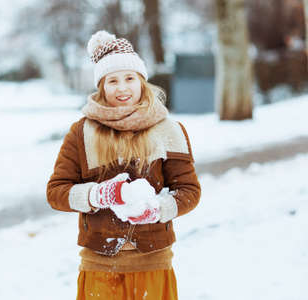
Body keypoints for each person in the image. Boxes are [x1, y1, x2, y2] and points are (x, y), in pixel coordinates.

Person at [47, 30, 201, 300]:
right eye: (112, 81)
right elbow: (56, 192)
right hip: (100, 266)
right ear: (101, 87)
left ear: (141, 81)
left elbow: (189, 190)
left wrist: (157, 209)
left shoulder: (169, 129)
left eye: (129, 78)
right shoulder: (82, 133)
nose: (122, 88)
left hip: (153, 262)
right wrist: (97, 195)